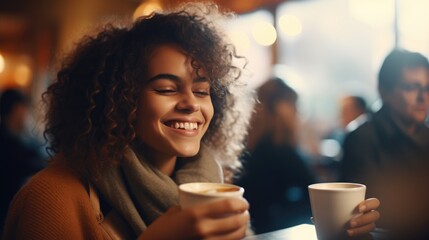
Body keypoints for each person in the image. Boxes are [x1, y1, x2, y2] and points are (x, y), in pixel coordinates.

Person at [3, 2, 379, 239]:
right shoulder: (53, 197)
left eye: (202, 91)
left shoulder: (207, 181)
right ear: (118, 101)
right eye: (167, 89)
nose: (190, 104)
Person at [236, 77, 380, 236]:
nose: (298, 113)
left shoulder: (248, 145)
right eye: (295, 106)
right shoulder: (280, 148)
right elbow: (315, 192)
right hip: (272, 231)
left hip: (249, 228)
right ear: (281, 108)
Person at [340, 49, 429, 238]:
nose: (423, 97)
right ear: (384, 91)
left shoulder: (426, 135)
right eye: (411, 87)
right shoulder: (361, 137)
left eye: (427, 88)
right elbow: (380, 211)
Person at [0, 88, 46, 233]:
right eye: (25, 108)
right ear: (17, 109)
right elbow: (39, 164)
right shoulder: (12, 145)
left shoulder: (12, 140)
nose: (27, 114)